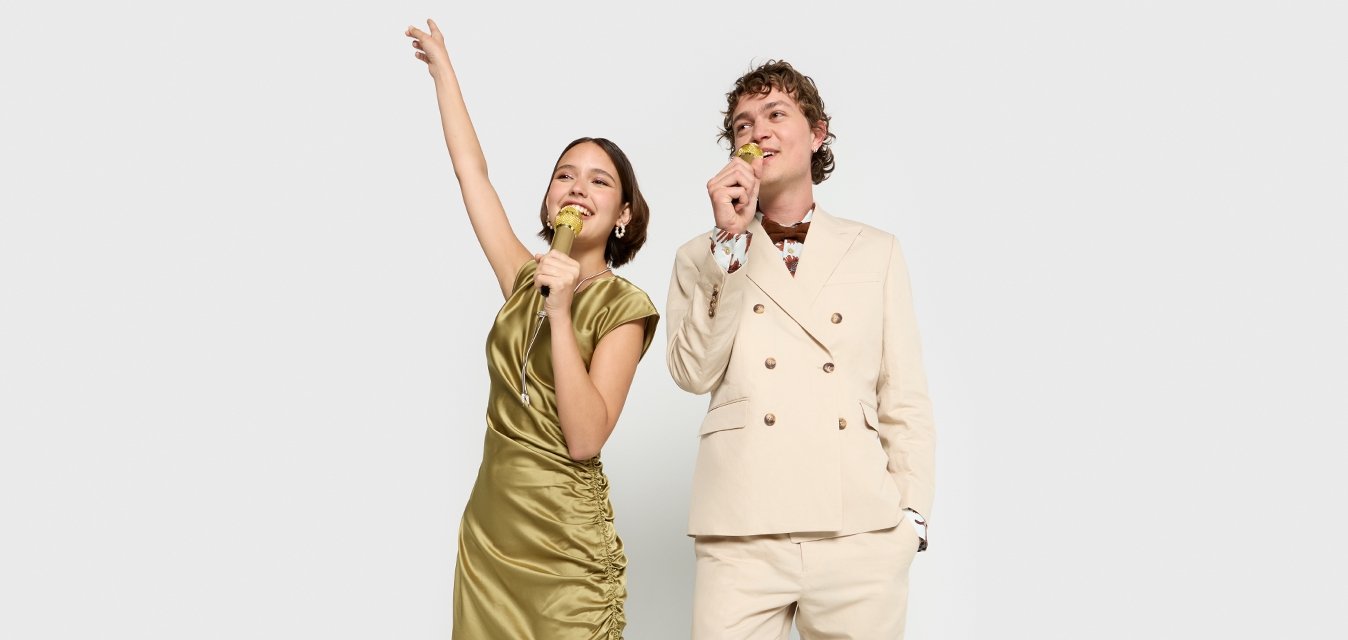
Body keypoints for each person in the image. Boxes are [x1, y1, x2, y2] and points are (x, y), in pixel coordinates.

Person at [405, 19, 659, 639]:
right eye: (565, 175)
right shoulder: (522, 278)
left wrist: (563, 311)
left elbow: (585, 439)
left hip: (563, 544)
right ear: (548, 200)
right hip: (490, 536)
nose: (578, 188)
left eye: (600, 180)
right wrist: (443, 70)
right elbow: (472, 173)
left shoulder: (624, 306)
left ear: (623, 214)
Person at [665, 60, 936, 639]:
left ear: (817, 134)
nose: (756, 131)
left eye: (775, 114)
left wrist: (910, 517)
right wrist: (729, 245)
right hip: (741, 526)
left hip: (859, 528)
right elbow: (691, 372)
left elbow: (904, 396)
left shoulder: (876, 251)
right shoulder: (700, 256)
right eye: (742, 124)